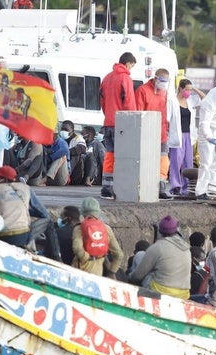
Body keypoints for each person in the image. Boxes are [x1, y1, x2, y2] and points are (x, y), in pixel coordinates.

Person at [100, 52, 137, 199]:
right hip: (122, 123)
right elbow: (129, 102)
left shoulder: (107, 77)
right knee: (124, 156)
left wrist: (108, 115)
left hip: (108, 122)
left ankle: (106, 188)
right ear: (128, 64)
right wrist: (132, 120)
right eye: (132, 66)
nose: (131, 69)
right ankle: (122, 188)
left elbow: (102, 101)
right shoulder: (125, 78)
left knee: (110, 154)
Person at [129, 215, 192, 299]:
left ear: (160, 231)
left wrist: (130, 278)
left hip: (161, 291)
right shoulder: (186, 247)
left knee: (139, 255)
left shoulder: (157, 247)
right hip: (184, 294)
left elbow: (138, 275)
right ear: (176, 230)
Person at [136, 68, 172, 198]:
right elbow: (138, 112)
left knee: (164, 160)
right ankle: (145, 187)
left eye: (166, 81)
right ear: (156, 78)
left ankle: (161, 187)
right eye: (162, 81)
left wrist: (167, 129)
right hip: (147, 133)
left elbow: (165, 112)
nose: (164, 84)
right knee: (146, 161)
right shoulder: (142, 91)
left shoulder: (164, 92)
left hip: (162, 132)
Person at [72, 197, 124, 277]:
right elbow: (119, 254)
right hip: (97, 273)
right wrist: (111, 271)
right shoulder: (106, 228)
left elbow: (77, 248)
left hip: (79, 273)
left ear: (82, 213)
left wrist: (85, 258)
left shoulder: (79, 228)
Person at [0, 165, 33, 247]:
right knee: (46, 221)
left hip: (3, 235)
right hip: (24, 234)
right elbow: (42, 213)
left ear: (4, 179)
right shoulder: (26, 188)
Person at [167, 79, 198, 196]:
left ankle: (186, 187)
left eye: (190, 90)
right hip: (177, 135)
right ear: (180, 88)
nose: (188, 92)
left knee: (188, 162)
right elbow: (167, 118)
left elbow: (204, 98)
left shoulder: (189, 101)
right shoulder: (172, 101)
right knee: (176, 161)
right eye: (187, 89)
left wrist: (194, 88)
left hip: (188, 135)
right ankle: (176, 186)